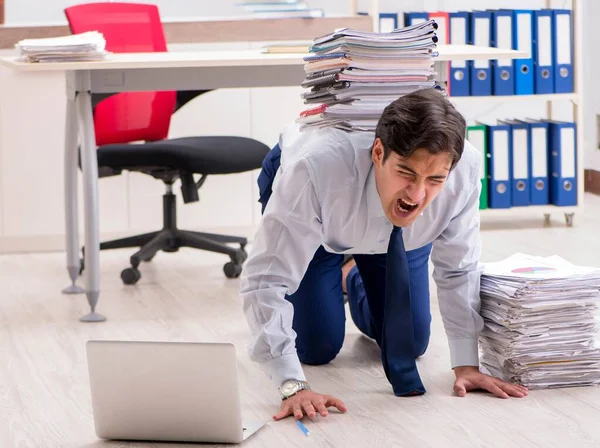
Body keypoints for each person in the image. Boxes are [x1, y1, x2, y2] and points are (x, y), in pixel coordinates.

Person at [239, 89, 528, 422]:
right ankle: (341, 261)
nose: (418, 193)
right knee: (316, 346)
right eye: (406, 173)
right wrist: (291, 384)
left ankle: (352, 276)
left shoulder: (463, 173)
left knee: (413, 339)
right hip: (321, 220)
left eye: (435, 179)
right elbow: (265, 280)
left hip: (400, 232)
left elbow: (458, 270)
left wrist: (466, 364)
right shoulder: (310, 171)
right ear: (378, 152)